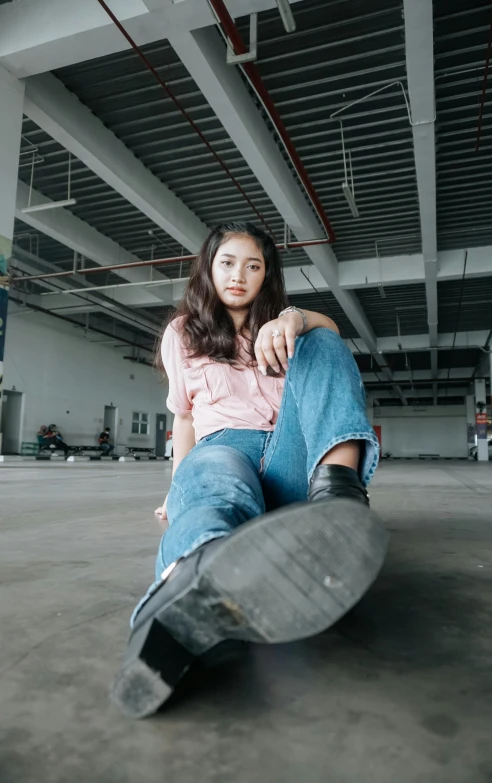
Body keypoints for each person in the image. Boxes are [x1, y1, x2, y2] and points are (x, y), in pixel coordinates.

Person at [111, 222, 387, 719]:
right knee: (213, 487)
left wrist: (294, 320)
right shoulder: (183, 332)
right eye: (228, 263)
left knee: (326, 340)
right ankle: (188, 590)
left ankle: (339, 501)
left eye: (253, 265)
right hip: (223, 448)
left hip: (290, 457)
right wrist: (178, 491)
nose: (239, 275)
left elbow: (329, 333)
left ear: (267, 275)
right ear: (209, 269)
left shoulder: (283, 324)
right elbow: (186, 416)